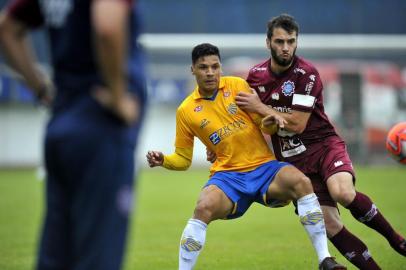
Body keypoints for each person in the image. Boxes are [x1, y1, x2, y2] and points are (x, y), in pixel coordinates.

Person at [146, 43, 346, 270]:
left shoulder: (238, 86)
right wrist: (164, 161)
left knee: (301, 182)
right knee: (203, 208)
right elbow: (183, 159)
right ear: (193, 69)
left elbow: (263, 124)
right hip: (228, 176)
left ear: (220, 67)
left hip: (263, 167)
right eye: (203, 67)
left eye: (215, 66)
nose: (210, 72)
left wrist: (269, 123)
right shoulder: (186, 110)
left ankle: (325, 259)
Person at [235, 13, 406, 269]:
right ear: (267, 42)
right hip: (293, 161)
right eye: (280, 41)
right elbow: (248, 119)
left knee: (343, 192)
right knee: (329, 223)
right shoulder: (255, 76)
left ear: (296, 42)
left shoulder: (307, 74)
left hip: (324, 146)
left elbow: (297, 123)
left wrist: (261, 107)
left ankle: (397, 241)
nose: (285, 47)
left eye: (291, 41)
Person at [0, 0, 146, 269]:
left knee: (57, 258)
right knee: (97, 258)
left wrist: (41, 89)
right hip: (100, 128)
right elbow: (107, 26)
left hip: (61, 123)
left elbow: (7, 28)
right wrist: (117, 96)